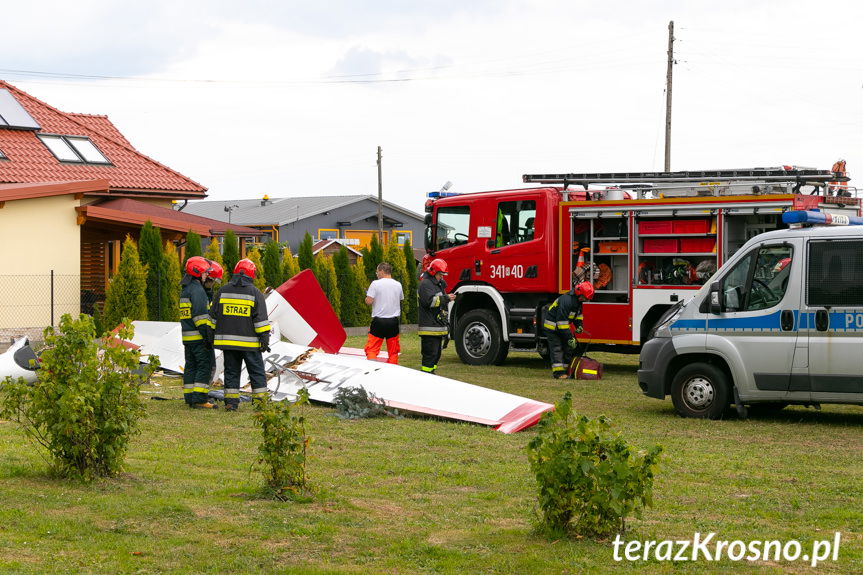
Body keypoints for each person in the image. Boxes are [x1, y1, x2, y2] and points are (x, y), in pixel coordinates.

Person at [207, 258, 270, 411]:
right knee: (256, 372)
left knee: (231, 372)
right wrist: (264, 339)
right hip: (250, 344)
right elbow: (260, 320)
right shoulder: (255, 293)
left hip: (228, 343)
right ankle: (261, 404)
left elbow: (212, 317)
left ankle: (231, 403)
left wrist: (210, 335)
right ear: (251, 274)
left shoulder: (223, 291)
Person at [179, 256, 217, 409]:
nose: (207, 275)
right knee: (204, 366)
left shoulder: (186, 290)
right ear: (197, 273)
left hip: (188, 338)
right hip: (199, 337)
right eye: (205, 273)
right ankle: (200, 399)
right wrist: (208, 337)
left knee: (191, 366)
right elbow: (201, 318)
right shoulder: (197, 291)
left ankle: (190, 397)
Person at [542, 281, 595, 379]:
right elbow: (561, 322)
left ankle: (567, 371)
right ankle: (558, 373)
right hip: (553, 327)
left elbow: (578, 315)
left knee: (569, 348)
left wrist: (579, 325)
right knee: (557, 349)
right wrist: (570, 338)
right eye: (585, 298)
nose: (586, 300)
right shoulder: (567, 301)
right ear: (580, 293)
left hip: (562, 327)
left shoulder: (578, 301)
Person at [417, 258, 456, 374]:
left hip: (436, 326)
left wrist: (447, 299)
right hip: (429, 327)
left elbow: (439, 302)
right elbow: (429, 302)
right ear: (433, 273)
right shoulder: (425, 284)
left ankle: (431, 374)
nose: (442, 277)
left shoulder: (437, 284)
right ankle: (426, 376)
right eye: (440, 274)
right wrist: (446, 298)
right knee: (430, 355)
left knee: (436, 355)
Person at [364, 262, 404, 364]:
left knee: (372, 349)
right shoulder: (398, 284)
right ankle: (392, 370)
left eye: (377, 272)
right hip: (393, 321)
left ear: (382, 271)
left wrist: (367, 296)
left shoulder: (375, 284)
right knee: (393, 351)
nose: (377, 274)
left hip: (379, 321)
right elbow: (400, 299)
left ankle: (372, 368)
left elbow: (369, 301)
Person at [203, 260, 223, 385]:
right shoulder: (200, 294)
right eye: (213, 281)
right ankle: (201, 397)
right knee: (208, 367)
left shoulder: (206, 293)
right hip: (203, 336)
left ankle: (197, 396)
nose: (213, 284)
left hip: (204, 336)